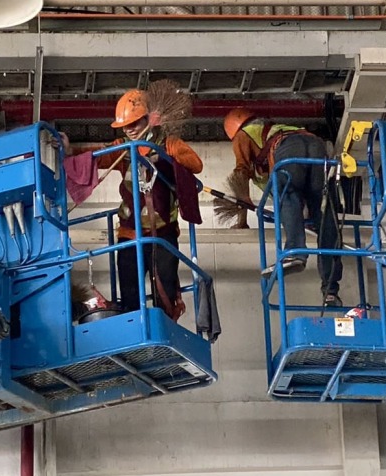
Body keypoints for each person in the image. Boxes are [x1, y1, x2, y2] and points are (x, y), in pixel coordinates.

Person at [73, 89, 204, 317]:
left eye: (134, 123)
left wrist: (162, 156)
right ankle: (133, 323)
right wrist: (69, 151)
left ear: (149, 119)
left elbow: (195, 164)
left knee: (165, 289)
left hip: (163, 233)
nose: (129, 129)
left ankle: (165, 323)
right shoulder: (121, 148)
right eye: (125, 126)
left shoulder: (169, 144)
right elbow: (98, 156)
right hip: (130, 234)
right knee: (130, 292)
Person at [223, 107, 343, 307]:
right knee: (324, 213)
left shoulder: (242, 135)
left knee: (286, 191)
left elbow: (240, 172)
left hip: (290, 147)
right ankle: (330, 290)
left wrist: (242, 217)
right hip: (317, 145)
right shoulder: (271, 129)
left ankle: (295, 252)